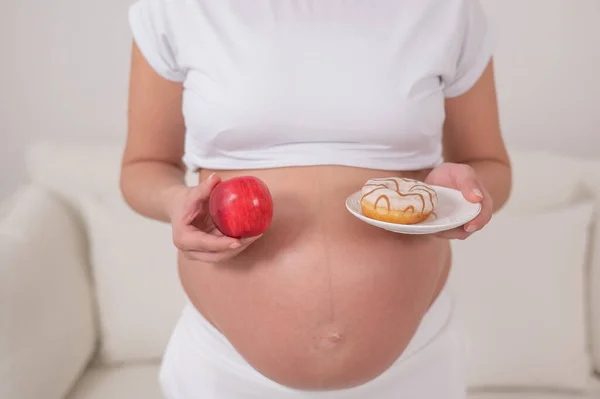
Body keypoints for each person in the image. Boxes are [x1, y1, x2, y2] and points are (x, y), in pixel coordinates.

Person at [120, 0, 512, 398]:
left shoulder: (447, 11)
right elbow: (144, 166)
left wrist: (462, 193)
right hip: (225, 370)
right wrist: (174, 201)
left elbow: (489, 164)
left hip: (416, 364)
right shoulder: (176, 9)